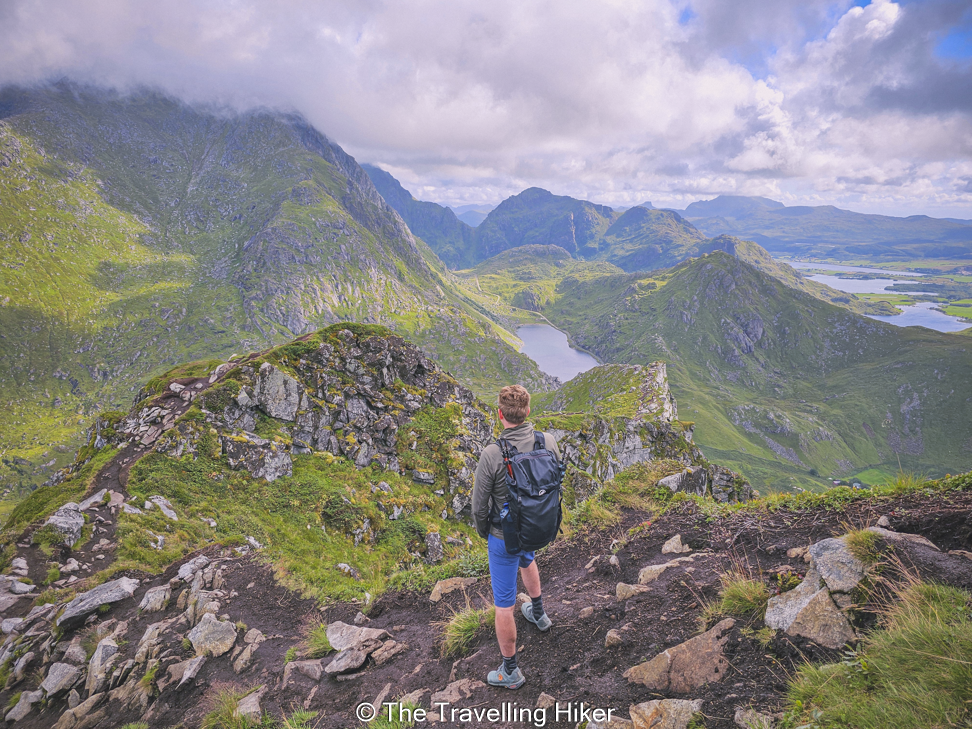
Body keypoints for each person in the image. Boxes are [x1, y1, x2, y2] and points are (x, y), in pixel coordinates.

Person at [472, 384, 561, 689]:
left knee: (504, 605)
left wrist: (487, 533)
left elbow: (478, 506)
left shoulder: (493, 454)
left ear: (500, 414)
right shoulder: (547, 441)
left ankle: (510, 671)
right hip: (535, 528)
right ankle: (538, 614)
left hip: (504, 535)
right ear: (528, 411)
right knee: (528, 558)